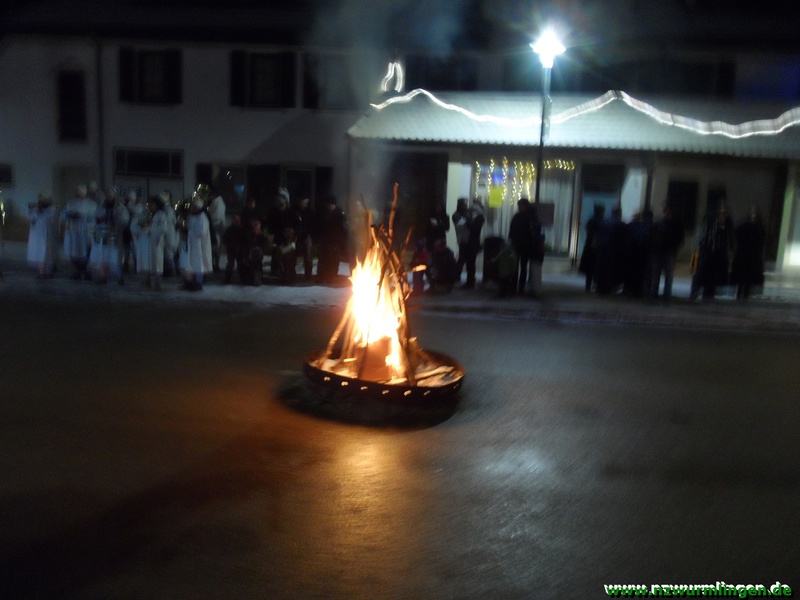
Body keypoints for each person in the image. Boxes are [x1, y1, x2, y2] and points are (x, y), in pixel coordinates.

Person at [691, 203, 734, 300]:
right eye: (722, 209)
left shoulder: (727, 221)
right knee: (701, 271)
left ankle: (709, 293)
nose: (723, 212)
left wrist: (729, 249)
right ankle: (695, 291)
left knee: (714, 273)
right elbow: (702, 234)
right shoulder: (709, 219)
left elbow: (729, 235)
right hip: (706, 249)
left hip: (719, 251)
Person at [88, 186, 130, 284]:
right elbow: (95, 218)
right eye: (106, 193)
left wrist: (115, 221)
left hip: (115, 236)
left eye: (110, 194)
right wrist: (99, 219)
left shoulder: (120, 207)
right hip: (102, 234)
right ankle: (103, 276)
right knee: (103, 256)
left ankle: (119, 277)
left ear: (114, 195)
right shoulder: (100, 206)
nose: (108, 195)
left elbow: (125, 220)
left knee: (115, 257)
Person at [730, 205, 766, 300]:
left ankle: (742, 293)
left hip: (747, 255)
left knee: (745, 278)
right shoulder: (757, 228)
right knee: (744, 277)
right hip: (747, 255)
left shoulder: (748, 228)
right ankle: (741, 293)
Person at [649, 205, 684, 301]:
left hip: (664, 252)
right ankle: (661, 294)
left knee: (662, 275)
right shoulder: (673, 225)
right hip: (665, 252)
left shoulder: (661, 224)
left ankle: (659, 294)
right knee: (663, 275)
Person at [61, 183, 95, 280]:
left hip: (85, 232)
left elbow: (93, 217)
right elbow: (63, 214)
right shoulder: (71, 203)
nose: (79, 194)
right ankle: (76, 271)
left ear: (85, 193)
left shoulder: (91, 204)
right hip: (73, 232)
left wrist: (81, 215)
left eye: (81, 192)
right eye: (77, 192)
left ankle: (86, 271)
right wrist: (69, 214)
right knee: (73, 251)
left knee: (85, 252)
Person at [181, 193, 213, 291]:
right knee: (190, 263)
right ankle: (189, 281)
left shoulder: (202, 217)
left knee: (199, 264)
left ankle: (198, 282)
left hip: (199, 245)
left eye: (194, 207)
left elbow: (201, 232)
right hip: (191, 244)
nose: (192, 208)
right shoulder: (191, 216)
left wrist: (190, 230)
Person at [453, 197, 485, 289]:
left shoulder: (478, 217)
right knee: (466, 261)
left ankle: (470, 282)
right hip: (466, 241)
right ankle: (467, 280)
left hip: (472, 242)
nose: (473, 207)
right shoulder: (467, 215)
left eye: (476, 205)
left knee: (470, 262)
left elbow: (473, 228)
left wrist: (468, 220)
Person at [316, 194, 347, 284]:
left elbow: (343, 226)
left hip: (335, 241)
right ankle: (321, 277)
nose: (330, 206)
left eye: (332, 205)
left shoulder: (339, 212)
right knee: (323, 259)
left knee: (334, 260)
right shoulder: (322, 213)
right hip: (324, 240)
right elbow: (318, 225)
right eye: (329, 204)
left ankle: (332, 276)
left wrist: (341, 241)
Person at [26, 191, 57, 278]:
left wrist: (41, 209)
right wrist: (34, 208)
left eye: (43, 199)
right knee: (38, 253)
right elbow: (30, 214)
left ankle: (45, 271)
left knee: (44, 253)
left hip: (45, 236)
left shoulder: (51, 209)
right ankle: (41, 271)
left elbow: (48, 216)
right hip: (36, 235)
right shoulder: (36, 210)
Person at [508, 198, 533, 296]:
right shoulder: (528, 217)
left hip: (520, 244)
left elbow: (512, 230)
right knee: (521, 267)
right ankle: (519, 287)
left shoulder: (519, 217)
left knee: (519, 267)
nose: (519, 207)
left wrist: (511, 240)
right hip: (523, 244)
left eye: (520, 205)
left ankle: (516, 287)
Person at [578, 204, 605, 292]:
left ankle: (589, 285)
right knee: (593, 266)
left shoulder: (592, 220)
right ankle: (592, 284)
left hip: (591, 246)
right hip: (595, 246)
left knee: (590, 267)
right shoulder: (598, 221)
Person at [288, 196, 314, 281]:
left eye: (307, 202)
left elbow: (312, 224)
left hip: (306, 234)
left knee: (308, 255)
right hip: (295, 235)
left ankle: (308, 275)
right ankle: (291, 275)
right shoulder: (293, 210)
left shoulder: (309, 211)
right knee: (292, 255)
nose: (306, 204)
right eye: (305, 202)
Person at [241, 217, 270, 286]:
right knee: (251, 266)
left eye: (259, 226)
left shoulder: (261, 235)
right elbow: (246, 243)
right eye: (257, 226)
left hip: (258, 254)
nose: (258, 227)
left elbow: (264, 243)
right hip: (251, 254)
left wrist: (262, 249)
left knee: (258, 266)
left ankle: (258, 279)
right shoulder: (249, 234)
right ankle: (251, 279)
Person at [221, 213, 246, 284]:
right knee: (230, 264)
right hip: (231, 249)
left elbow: (245, 239)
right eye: (235, 220)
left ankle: (242, 279)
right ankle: (227, 279)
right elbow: (224, 238)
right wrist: (229, 244)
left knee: (240, 264)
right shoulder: (229, 229)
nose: (237, 221)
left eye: (238, 220)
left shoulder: (242, 229)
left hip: (239, 250)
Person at [527, 203, 545, 298]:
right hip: (538, 250)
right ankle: (535, 289)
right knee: (536, 270)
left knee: (535, 270)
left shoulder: (533, 223)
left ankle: (535, 290)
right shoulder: (537, 222)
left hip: (535, 249)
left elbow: (534, 235)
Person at [208, 189, 226, 273]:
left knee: (215, 246)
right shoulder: (219, 202)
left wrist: (209, 218)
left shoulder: (217, 202)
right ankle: (215, 264)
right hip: (217, 225)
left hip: (215, 225)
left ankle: (214, 264)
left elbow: (215, 215)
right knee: (216, 246)